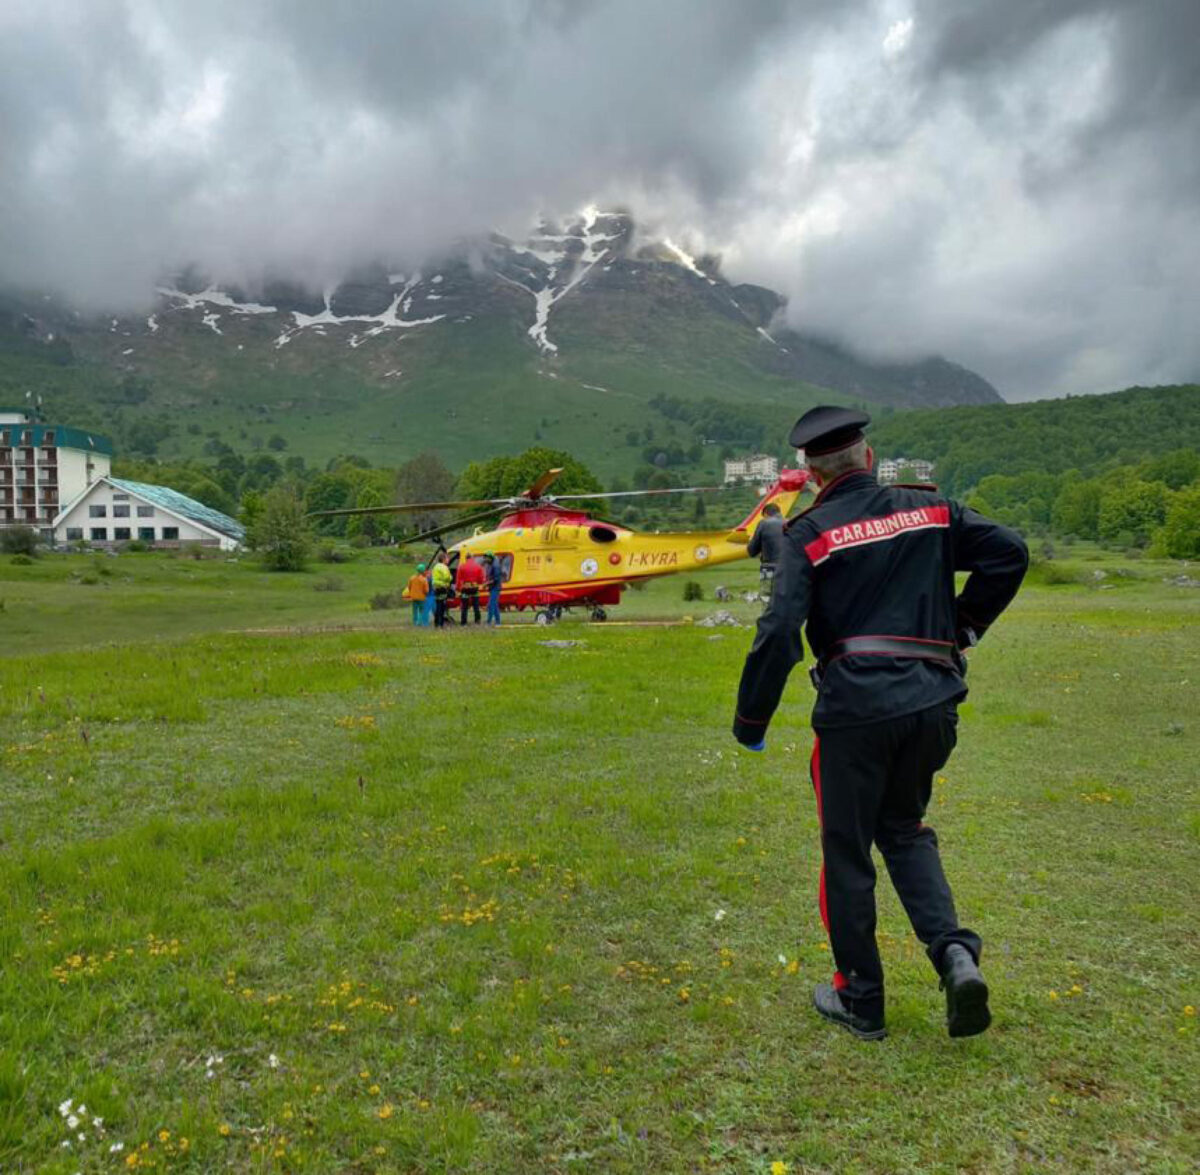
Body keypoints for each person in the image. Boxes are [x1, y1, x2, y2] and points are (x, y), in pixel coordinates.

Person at [731, 406, 1028, 1041]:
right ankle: (953, 955)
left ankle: (861, 999)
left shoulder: (808, 534)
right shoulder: (933, 510)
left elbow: (781, 629)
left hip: (856, 711)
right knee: (906, 829)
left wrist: (750, 719)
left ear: (812, 474)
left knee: (846, 852)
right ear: (868, 459)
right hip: (931, 703)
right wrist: (960, 629)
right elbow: (1010, 552)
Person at [748, 501, 784, 602]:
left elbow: (751, 551)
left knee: (767, 600)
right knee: (785, 600)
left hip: (769, 568)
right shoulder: (790, 522)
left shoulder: (764, 523)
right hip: (788, 569)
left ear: (766, 514)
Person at [456, 550, 485, 625]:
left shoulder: (461, 567)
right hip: (474, 588)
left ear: (466, 558)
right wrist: (478, 583)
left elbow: (459, 579)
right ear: (472, 558)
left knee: (464, 607)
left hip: (465, 589)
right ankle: (477, 621)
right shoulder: (478, 566)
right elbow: (481, 579)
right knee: (476, 606)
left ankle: (463, 622)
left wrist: (458, 589)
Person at [430, 553, 453, 629]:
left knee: (438, 606)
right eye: (447, 558)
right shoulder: (444, 567)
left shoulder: (435, 567)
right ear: (443, 559)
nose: (448, 560)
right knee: (442, 607)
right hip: (443, 588)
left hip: (436, 588)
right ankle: (441, 624)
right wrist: (450, 577)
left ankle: (436, 623)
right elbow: (447, 577)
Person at [484, 551, 503, 626]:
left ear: (490, 557)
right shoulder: (491, 564)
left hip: (495, 588)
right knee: (494, 605)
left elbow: (496, 579)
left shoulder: (496, 566)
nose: (486, 559)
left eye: (487, 558)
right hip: (492, 587)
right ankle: (498, 622)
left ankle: (489, 622)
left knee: (491, 605)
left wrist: (487, 583)